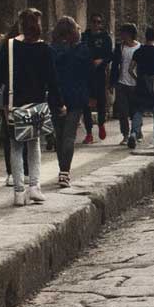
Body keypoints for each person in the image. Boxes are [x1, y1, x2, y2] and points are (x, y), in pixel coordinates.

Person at [4, 9, 58, 203]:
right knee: (34, 145)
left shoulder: (9, 47)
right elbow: (52, 81)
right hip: (36, 104)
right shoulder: (46, 50)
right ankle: (34, 186)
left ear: (20, 25)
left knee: (15, 146)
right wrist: (58, 104)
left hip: (14, 103)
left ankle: (18, 192)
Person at [48, 16, 90, 189]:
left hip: (56, 97)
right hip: (76, 97)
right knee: (69, 136)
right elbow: (90, 74)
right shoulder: (82, 50)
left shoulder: (51, 50)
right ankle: (65, 172)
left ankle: (62, 169)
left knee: (59, 135)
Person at [80, 15, 115, 143]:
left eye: (98, 22)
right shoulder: (84, 37)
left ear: (101, 24)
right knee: (86, 104)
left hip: (100, 73)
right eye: (94, 22)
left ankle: (101, 124)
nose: (96, 24)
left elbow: (110, 55)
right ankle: (89, 132)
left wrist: (102, 61)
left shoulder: (105, 38)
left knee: (101, 101)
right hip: (86, 73)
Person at [134, 28, 154, 147]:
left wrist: (137, 78)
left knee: (139, 109)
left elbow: (130, 69)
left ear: (145, 36)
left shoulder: (139, 51)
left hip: (142, 82)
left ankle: (133, 133)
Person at [112, 23, 142, 148]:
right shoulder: (120, 47)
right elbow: (114, 65)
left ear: (129, 34)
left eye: (123, 33)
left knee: (135, 110)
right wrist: (111, 82)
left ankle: (135, 132)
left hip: (135, 84)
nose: (121, 35)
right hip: (121, 83)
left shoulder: (139, 48)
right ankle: (125, 134)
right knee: (123, 111)